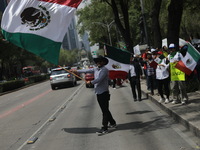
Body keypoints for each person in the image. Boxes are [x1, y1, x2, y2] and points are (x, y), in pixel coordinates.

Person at [73, 55, 116, 134]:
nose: (98, 63)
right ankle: (112, 122)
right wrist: (76, 71)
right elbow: (86, 70)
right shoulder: (96, 69)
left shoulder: (104, 70)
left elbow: (99, 79)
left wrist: (91, 82)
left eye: (100, 61)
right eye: (97, 61)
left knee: (104, 111)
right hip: (98, 92)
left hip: (104, 92)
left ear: (103, 62)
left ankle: (104, 127)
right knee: (105, 109)